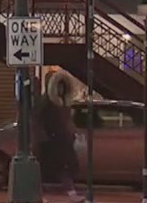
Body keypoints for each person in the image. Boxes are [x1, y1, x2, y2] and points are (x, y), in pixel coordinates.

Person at [34, 71, 83, 203]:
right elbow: (38, 121)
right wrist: (42, 137)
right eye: (58, 86)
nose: (61, 89)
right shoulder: (46, 102)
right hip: (51, 141)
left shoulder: (63, 102)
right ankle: (70, 194)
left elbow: (67, 121)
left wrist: (73, 133)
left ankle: (70, 194)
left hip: (62, 141)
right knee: (58, 169)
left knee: (63, 169)